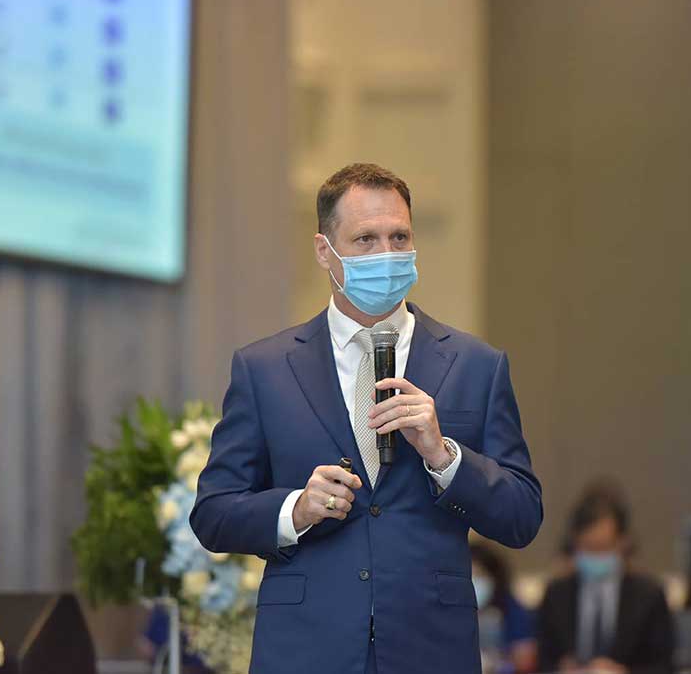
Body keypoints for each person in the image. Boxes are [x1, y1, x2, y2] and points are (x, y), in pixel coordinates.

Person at [189, 163, 543, 674]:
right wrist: (296, 510)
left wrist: (444, 457)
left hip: (430, 649)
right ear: (324, 251)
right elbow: (213, 514)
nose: (387, 254)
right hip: (306, 649)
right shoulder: (264, 369)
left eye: (400, 238)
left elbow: (522, 516)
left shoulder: (476, 365)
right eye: (365, 240)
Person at [536, 486, 674, 674]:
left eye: (602, 547)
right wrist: (560, 668)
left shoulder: (649, 596)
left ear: (623, 542)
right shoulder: (556, 594)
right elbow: (543, 661)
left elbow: (664, 665)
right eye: (587, 547)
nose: (595, 556)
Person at [471, 543, 538, 673]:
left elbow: (525, 656)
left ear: (494, 577)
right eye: (469, 576)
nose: (474, 581)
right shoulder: (449, 611)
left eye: (479, 575)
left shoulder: (511, 608)